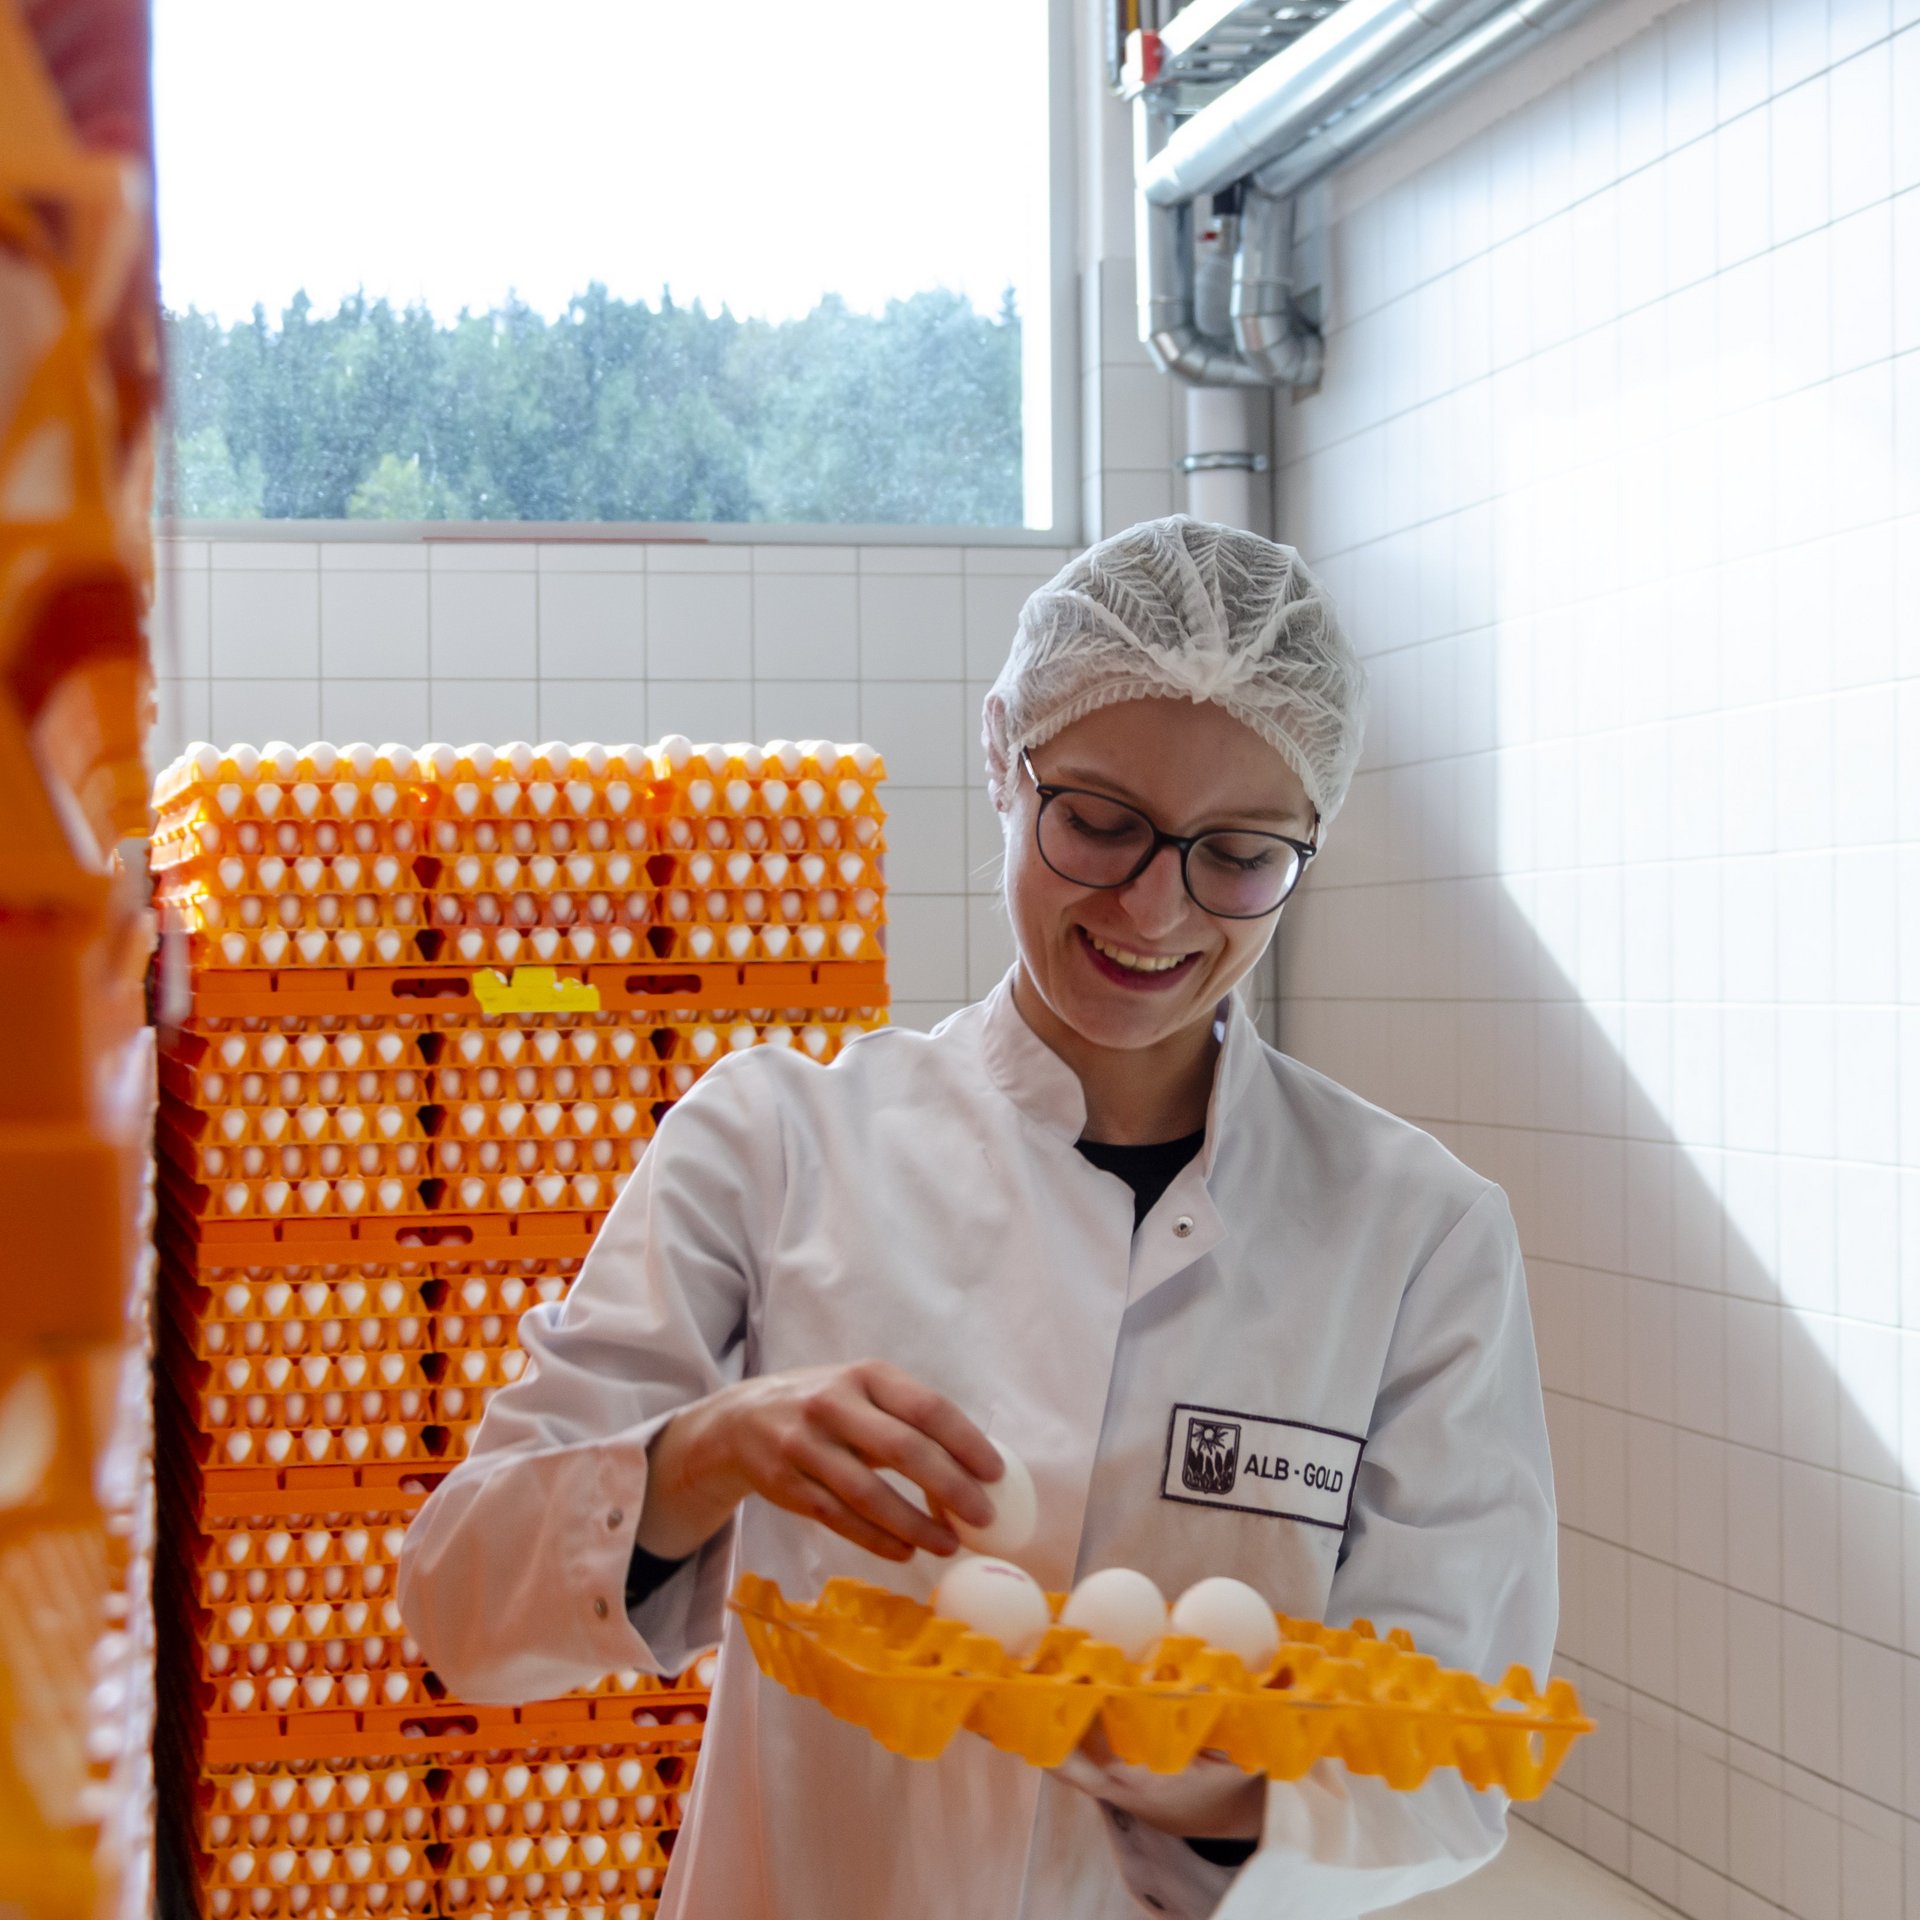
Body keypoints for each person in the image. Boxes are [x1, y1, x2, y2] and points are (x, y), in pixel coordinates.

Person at [398, 516, 1557, 1919]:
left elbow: (1452, 1755)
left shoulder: (1416, 1234)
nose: (1153, 906)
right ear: (1005, 759)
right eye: (1099, 822)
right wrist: (706, 1455)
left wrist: (1199, 1781)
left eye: (1237, 853)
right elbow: (464, 1609)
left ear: (1308, 840)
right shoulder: (777, 1142)